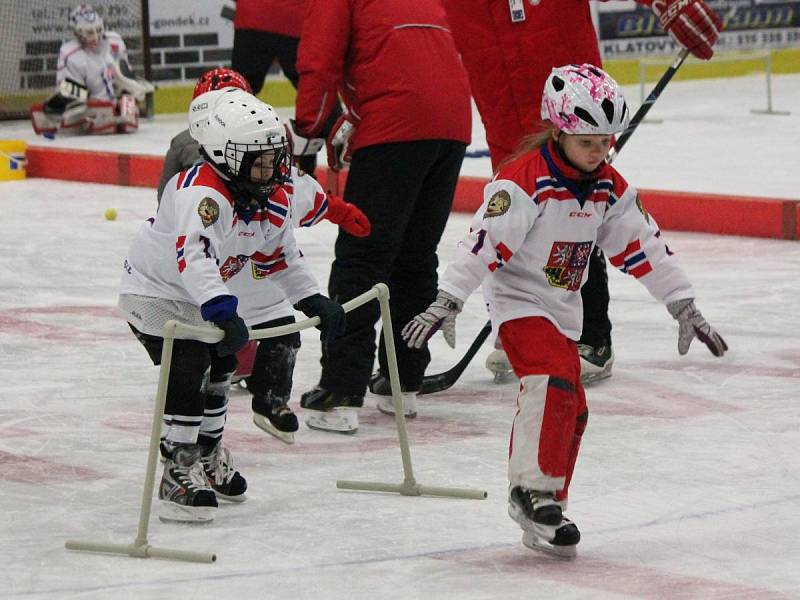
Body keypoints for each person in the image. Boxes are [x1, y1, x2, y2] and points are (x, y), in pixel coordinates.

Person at [402, 64, 727, 557]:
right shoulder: (523, 182)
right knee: (553, 377)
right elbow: (482, 245)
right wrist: (449, 299)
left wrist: (681, 302)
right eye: (588, 142)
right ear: (559, 131)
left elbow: (643, 245)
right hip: (518, 304)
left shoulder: (608, 188)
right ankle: (530, 492)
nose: (599, 154)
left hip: (563, 310)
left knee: (573, 406)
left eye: (606, 143)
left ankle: (549, 502)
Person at [441, 0, 723, 384]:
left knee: (579, 217)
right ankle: (521, 329)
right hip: (507, 123)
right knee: (510, 226)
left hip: (577, 115)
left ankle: (591, 338)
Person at [118, 87, 346, 522]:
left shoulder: (270, 194)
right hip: (155, 292)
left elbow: (280, 255)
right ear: (224, 156)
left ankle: (206, 452)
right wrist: (222, 308)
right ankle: (177, 466)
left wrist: (311, 297)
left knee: (221, 363)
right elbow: (194, 256)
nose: (274, 166)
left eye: (275, 155)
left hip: (198, 294)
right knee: (190, 360)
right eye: (258, 157)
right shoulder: (202, 195)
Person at [156, 67, 371, 444]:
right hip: (212, 263)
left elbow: (291, 193)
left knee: (278, 321)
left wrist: (334, 210)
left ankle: (268, 396)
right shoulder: (200, 170)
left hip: (251, 254)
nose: (268, 168)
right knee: (213, 342)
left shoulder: (257, 146)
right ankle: (202, 418)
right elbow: (182, 221)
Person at [291, 0, 472, 433]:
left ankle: (340, 391)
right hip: (452, 122)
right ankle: (403, 381)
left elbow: (320, 59)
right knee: (415, 256)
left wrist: (308, 130)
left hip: (395, 119)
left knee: (362, 255)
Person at [231, 0, 343, 175]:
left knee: (237, 98)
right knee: (316, 97)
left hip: (252, 15)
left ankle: (227, 165)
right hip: (295, 20)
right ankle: (307, 173)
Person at [30, 4, 154, 136]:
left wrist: (130, 89)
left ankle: (113, 118)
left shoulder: (115, 41)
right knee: (82, 114)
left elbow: (125, 76)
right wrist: (83, 102)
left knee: (129, 120)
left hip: (117, 103)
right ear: (78, 32)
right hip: (93, 107)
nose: (96, 37)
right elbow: (71, 92)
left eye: (99, 30)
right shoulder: (69, 54)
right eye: (89, 32)